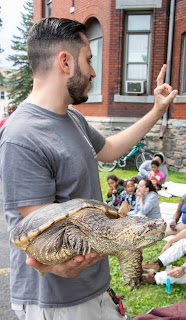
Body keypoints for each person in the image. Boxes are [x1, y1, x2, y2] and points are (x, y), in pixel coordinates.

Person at [0, 17, 177, 320]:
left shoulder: (73, 118)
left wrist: (157, 111)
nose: (94, 72)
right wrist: (61, 264)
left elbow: (109, 149)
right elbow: (41, 234)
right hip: (58, 302)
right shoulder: (21, 137)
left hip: (93, 287)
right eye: (89, 60)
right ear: (65, 62)